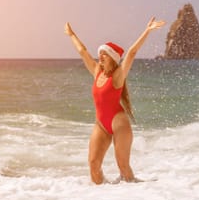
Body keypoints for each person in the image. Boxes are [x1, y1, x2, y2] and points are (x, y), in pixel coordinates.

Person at [64, 17, 166, 184]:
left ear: (113, 57)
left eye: (104, 54)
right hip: (101, 124)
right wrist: (71, 34)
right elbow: (83, 51)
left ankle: (137, 198)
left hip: (119, 123)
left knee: (123, 168)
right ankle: (102, 199)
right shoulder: (97, 71)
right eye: (100, 53)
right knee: (93, 164)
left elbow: (132, 52)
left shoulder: (118, 75)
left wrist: (147, 31)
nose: (100, 56)